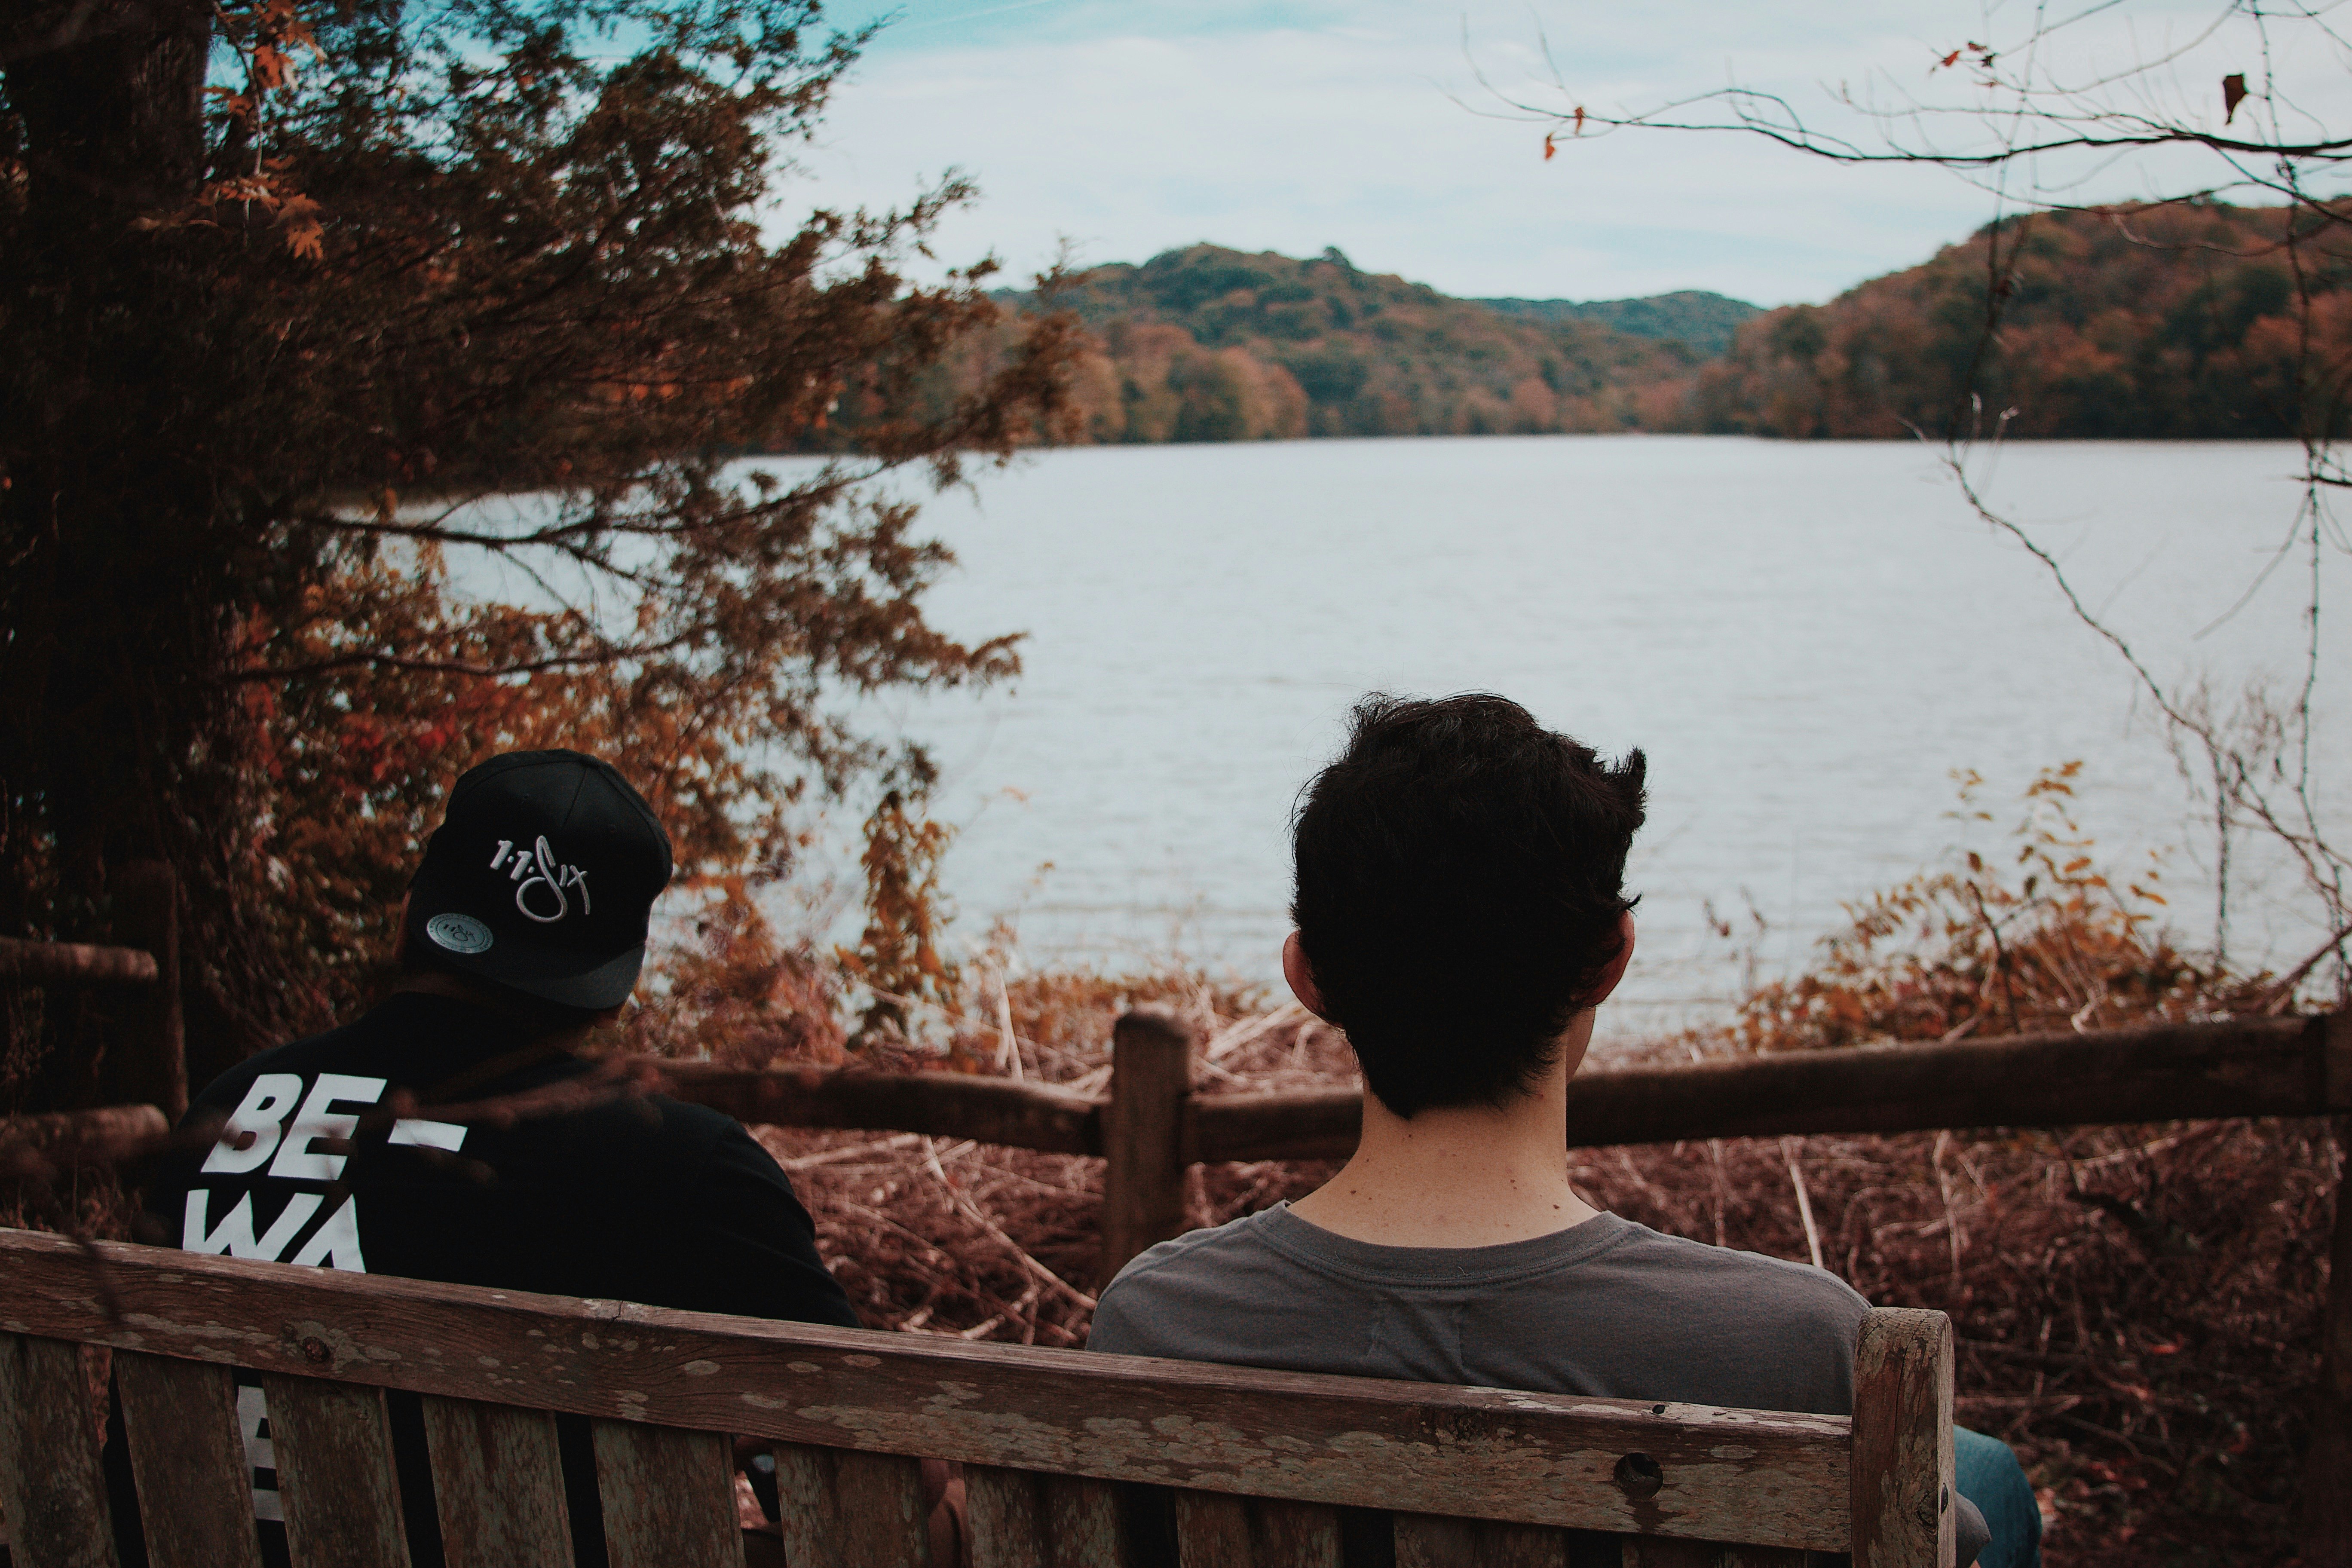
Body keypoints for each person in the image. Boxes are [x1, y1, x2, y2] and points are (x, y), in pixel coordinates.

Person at [1087, 694, 2040, 1568]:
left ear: (1307, 975)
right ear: (1607, 961)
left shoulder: (1157, 1319)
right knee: (1983, 1477)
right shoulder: (1799, 1349)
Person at [139, 749, 863, 1566]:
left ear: (414, 906)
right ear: (616, 978)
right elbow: (874, 1488)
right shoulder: (683, 1168)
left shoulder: (230, 1109)